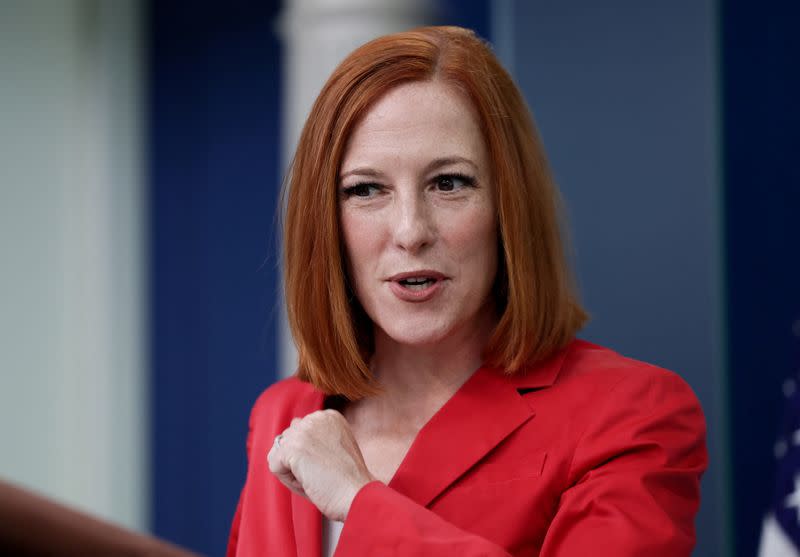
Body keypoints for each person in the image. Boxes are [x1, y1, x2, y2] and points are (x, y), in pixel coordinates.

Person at [226, 26, 707, 557]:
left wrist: (361, 502)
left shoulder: (630, 414)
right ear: (326, 222)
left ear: (508, 205)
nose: (410, 231)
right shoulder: (283, 413)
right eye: (366, 189)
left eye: (449, 183)